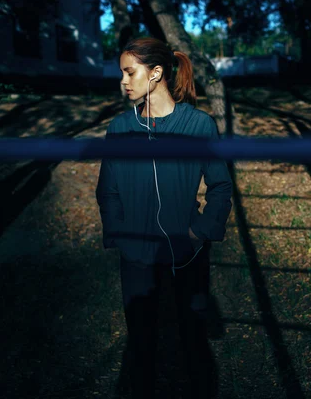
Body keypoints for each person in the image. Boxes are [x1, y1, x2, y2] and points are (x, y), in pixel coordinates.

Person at [96, 37, 232, 398]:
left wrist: (200, 233)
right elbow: (107, 190)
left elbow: (220, 186)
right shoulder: (119, 129)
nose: (124, 81)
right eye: (122, 73)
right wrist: (121, 236)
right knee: (141, 346)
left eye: (130, 72)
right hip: (136, 256)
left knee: (194, 342)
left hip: (186, 253)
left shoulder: (199, 126)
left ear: (156, 73)